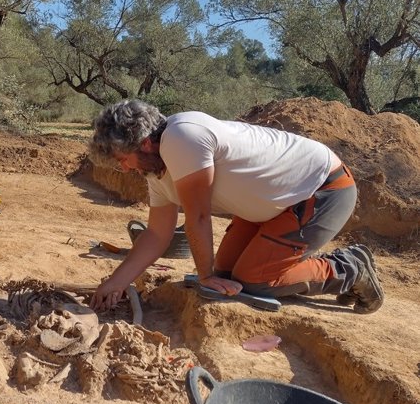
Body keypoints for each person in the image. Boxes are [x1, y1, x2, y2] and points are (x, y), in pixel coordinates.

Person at [89, 99, 384, 314]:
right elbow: (156, 235)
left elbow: (199, 216)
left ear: (143, 143)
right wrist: (115, 283)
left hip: (320, 189)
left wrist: (205, 276)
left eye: (121, 159)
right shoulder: (157, 171)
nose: (124, 169)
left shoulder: (181, 137)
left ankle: (349, 268)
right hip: (270, 205)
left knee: (255, 282)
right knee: (228, 276)